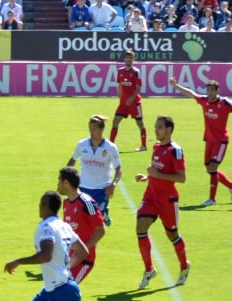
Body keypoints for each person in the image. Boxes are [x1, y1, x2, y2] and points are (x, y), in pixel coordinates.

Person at [134, 116, 190, 288]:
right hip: (151, 197)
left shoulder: (175, 151)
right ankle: (149, 269)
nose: (156, 130)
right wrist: (147, 177)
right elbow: (156, 171)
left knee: (172, 235)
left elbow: (181, 178)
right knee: (140, 228)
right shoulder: (156, 147)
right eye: (156, 127)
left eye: (159, 127)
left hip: (168, 200)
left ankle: (184, 265)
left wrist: (158, 175)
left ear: (169, 130)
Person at [57, 167, 106, 301]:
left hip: (85, 260)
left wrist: (84, 249)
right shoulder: (66, 204)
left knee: (67, 292)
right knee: (65, 293)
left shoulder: (87, 203)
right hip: (70, 259)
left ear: (66, 183)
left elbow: (101, 230)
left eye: (59, 181)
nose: (57, 185)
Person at [170, 78, 232, 206]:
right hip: (209, 140)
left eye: (212, 90)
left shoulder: (225, 103)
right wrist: (176, 86)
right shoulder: (205, 101)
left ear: (217, 91)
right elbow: (191, 94)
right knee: (209, 169)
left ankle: (212, 199)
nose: (209, 93)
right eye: (208, 90)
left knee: (213, 167)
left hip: (221, 141)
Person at [67, 114, 122, 226]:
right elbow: (72, 161)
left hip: (102, 189)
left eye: (94, 129)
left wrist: (113, 185)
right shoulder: (82, 145)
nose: (91, 132)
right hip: (83, 188)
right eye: (90, 129)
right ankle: (104, 214)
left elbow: (118, 169)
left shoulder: (111, 148)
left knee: (96, 222)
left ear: (102, 129)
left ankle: (104, 214)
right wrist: (67, 179)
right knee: (83, 220)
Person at [110, 50, 148, 152]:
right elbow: (119, 85)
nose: (129, 59)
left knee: (140, 123)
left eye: (131, 58)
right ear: (124, 59)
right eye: (127, 57)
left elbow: (138, 87)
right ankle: (110, 146)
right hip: (123, 104)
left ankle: (144, 146)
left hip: (135, 103)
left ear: (133, 59)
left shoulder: (136, 72)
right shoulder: (120, 71)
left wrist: (132, 98)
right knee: (115, 121)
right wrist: (120, 97)